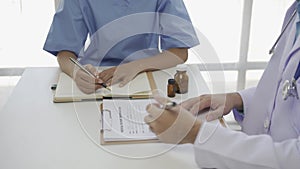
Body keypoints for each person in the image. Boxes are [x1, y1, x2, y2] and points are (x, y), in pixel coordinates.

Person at [145, 1, 300, 169]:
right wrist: (237, 99)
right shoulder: (295, 12)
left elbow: (293, 158)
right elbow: (286, 87)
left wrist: (194, 133)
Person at [43, 0, 199, 94]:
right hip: (96, 77)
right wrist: (76, 72)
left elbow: (179, 52)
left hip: (147, 73)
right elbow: (64, 52)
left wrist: (136, 66)